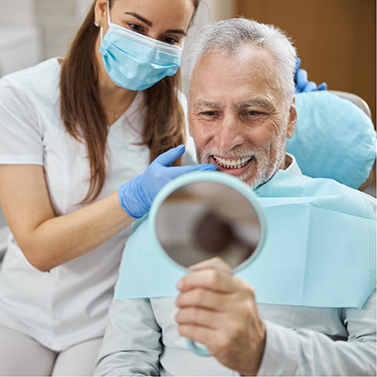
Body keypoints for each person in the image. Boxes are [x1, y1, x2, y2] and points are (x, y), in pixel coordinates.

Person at [94, 18, 376, 376]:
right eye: (209, 113)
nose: (226, 139)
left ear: (289, 119)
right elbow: (124, 358)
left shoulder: (361, 221)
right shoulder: (156, 221)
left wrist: (265, 351)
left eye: (252, 113)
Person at [0, 0, 222, 375]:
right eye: (136, 27)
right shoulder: (22, 97)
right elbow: (38, 248)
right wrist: (134, 198)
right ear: (102, 9)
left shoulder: (180, 119)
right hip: (20, 310)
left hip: (104, 320)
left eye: (169, 37)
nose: (151, 46)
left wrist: (282, 107)